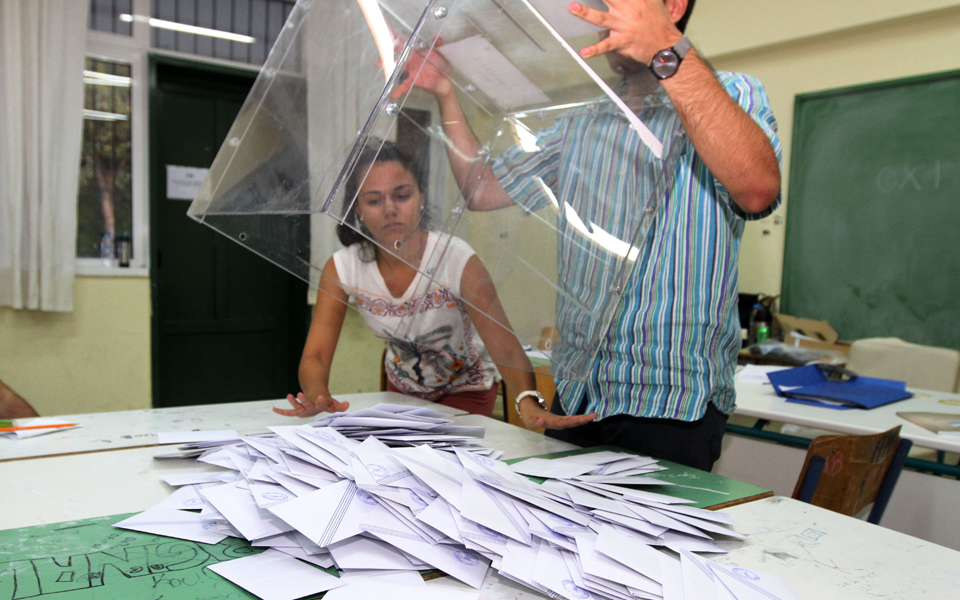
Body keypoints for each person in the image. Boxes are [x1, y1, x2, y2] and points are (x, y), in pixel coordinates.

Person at [392, 0, 782, 470]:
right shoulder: (583, 119)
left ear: (672, 6)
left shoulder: (731, 94)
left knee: (650, 545)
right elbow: (483, 189)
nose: (599, 12)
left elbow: (757, 189)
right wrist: (445, 93)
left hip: (670, 402)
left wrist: (666, 49)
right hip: (578, 395)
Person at [273, 141, 595, 426]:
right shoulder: (343, 268)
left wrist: (528, 400)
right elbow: (315, 355)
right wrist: (317, 396)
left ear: (421, 197)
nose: (390, 210)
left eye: (402, 195)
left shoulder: (457, 260)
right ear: (357, 209)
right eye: (373, 200)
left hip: (466, 386)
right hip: (402, 389)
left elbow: (506, 347)